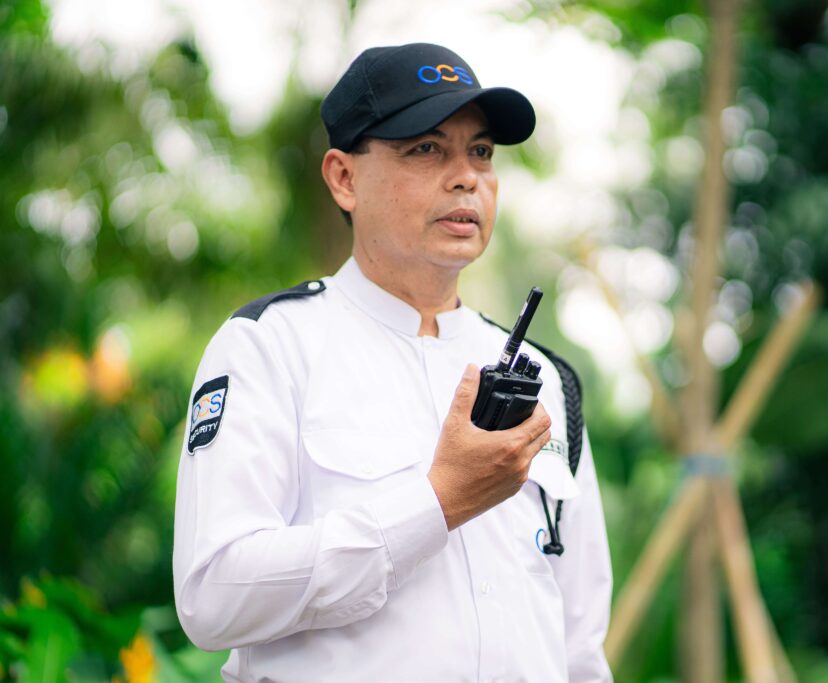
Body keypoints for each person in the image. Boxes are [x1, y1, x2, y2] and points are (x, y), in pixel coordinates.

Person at [173, 42, 613, 682]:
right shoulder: (270, 346)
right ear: (344, 178)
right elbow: (213, 597)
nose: (466, 176)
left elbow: (579, 645)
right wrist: (436, 504)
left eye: (481, 152)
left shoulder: (547, 378)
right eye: (426, 148)